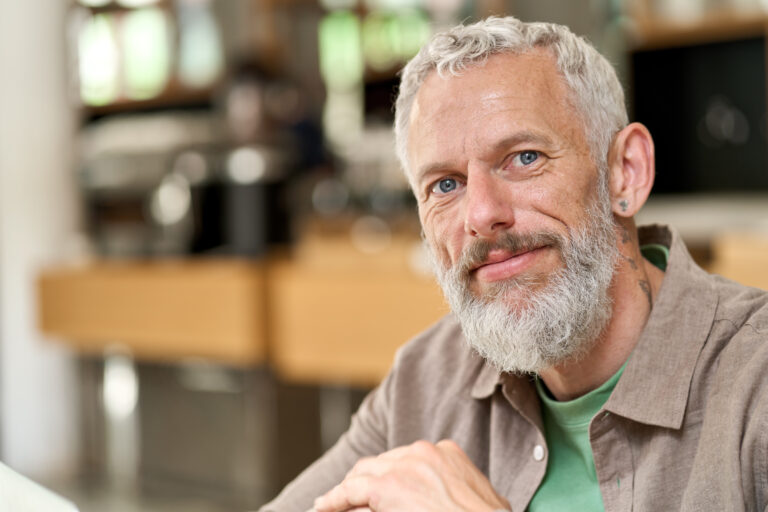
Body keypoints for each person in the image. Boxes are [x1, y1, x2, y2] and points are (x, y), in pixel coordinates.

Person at [261, 16, 768, 512]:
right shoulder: (425, 380)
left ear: (625, 172)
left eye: (524, 158)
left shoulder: (754, 388)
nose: (482, 215)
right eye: (445, 185)